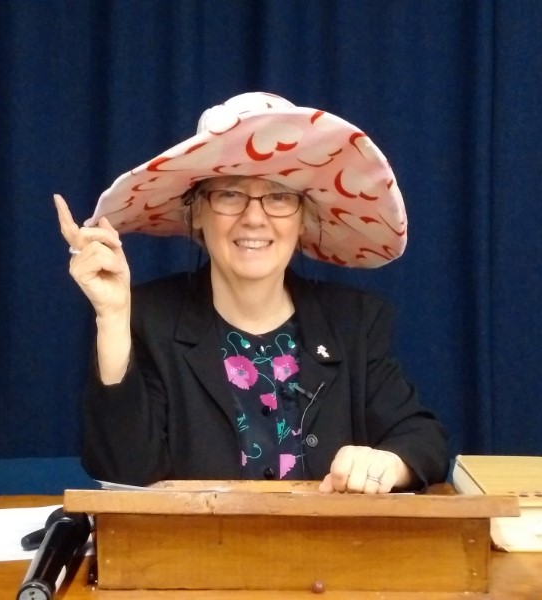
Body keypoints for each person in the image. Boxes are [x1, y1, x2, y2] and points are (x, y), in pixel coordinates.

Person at [54, 92, 448, 494]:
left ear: (304, 218)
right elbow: (124, 475)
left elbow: (422, 439)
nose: (254, 218)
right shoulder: (146, 319)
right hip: (193, 555)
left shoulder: (355, 321)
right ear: (197, 214)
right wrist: (114, 318)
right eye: (230, 194)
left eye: (278, 196)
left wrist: (388, 463)